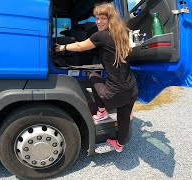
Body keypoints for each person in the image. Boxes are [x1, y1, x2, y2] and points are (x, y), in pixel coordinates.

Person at [55, 2, 138, 152]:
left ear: (110, 19)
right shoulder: (121, 35)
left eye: (102, 18)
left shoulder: (101, 35)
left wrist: (62, 47)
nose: (98, 22)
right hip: (132, 89)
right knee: (124, 118)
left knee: (93, 76)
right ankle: (119, 145)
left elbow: (80, 46)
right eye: (96, 18)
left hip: (115, 93)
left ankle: (102, 112)